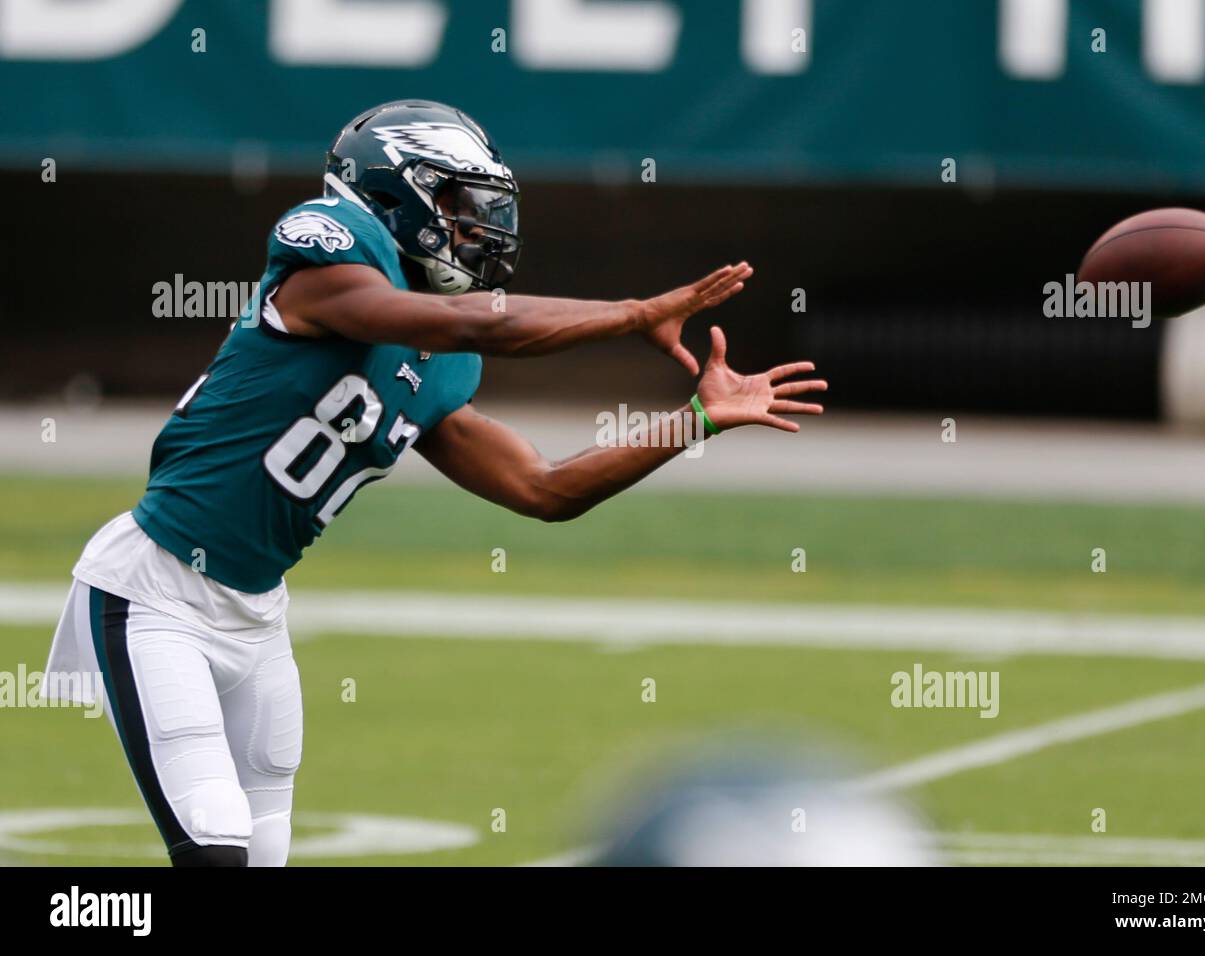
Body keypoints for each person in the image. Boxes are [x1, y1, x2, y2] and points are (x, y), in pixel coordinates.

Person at [40, 99, 827, 866]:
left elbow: (545, 489)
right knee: (215, 849)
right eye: (453, 202)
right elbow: (476, 321)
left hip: (256, 616)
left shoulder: (441, 359)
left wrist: (695, 419)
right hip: (155, 595)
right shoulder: (326, 251)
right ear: (393, 190)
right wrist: (632, 314)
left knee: (263, 852)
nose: (473, 225)